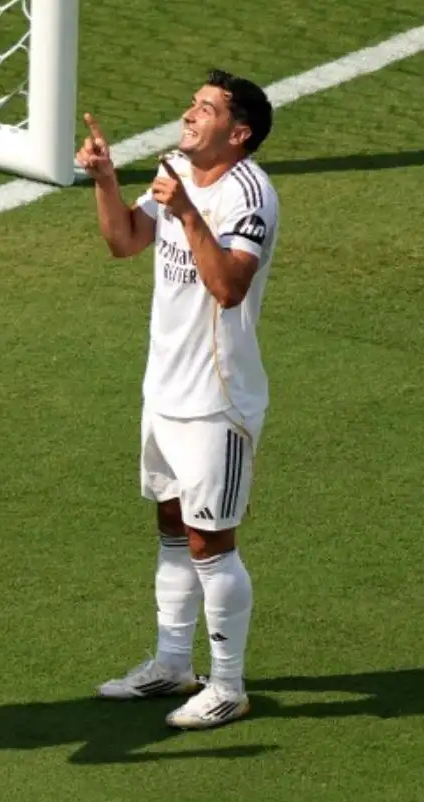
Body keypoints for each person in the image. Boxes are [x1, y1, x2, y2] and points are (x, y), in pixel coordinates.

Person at [77, 70, 278, 730]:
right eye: (192, 103)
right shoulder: (175, 171)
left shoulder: (251, 195)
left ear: (238, 132)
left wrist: (187, 211)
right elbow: (125, 240)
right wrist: (106, 180)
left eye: (206, 109)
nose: (189, 114)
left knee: (210, 540)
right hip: (162, 390)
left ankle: (227, 684)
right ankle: (171, 663)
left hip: (216, 401)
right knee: (170, 524)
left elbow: (227, 288)